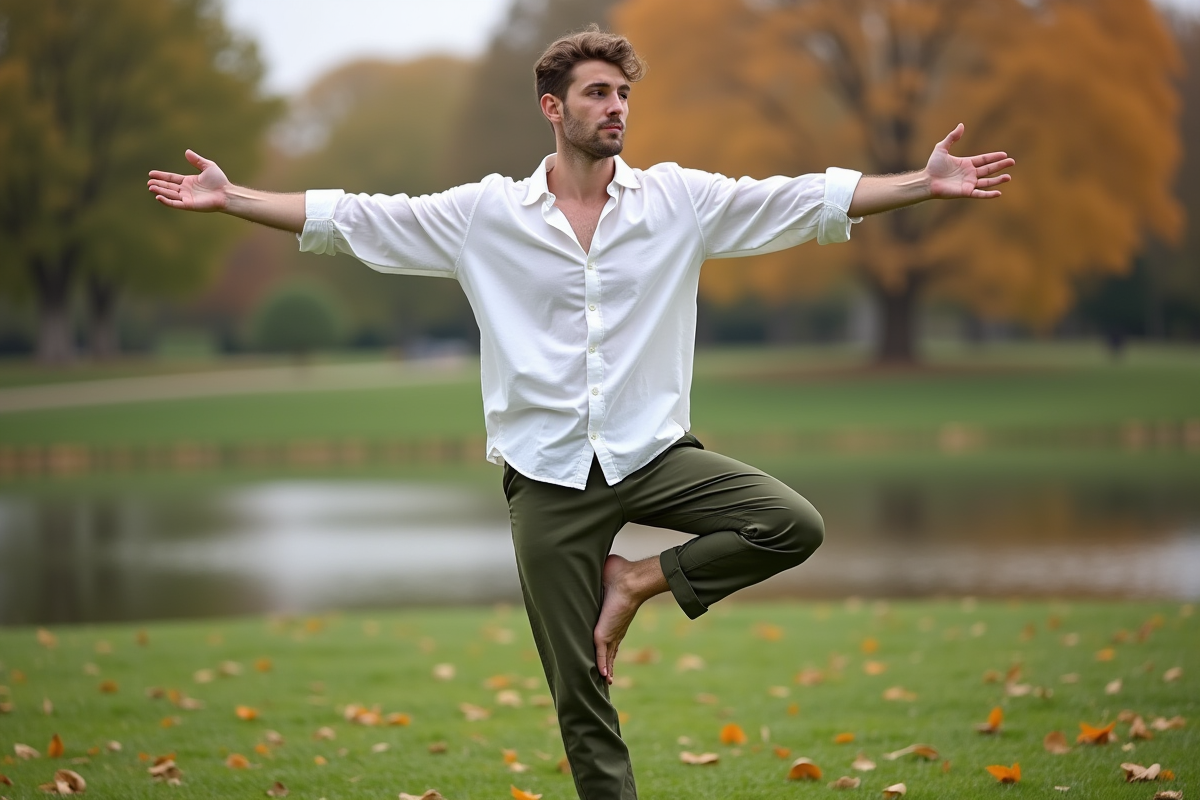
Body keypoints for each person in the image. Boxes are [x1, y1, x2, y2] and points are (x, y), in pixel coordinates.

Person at [148, 26, 1013, 800]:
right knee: (580, 695)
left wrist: (921, 186)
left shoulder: (678, 201)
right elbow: (356, 219)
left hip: (653, 453)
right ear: (552, 107)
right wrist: (235, 199)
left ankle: (634, 582)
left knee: (791, 522)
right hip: (547, 477)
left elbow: (798, 200)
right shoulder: (484, 214)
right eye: (599, 93)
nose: (617, 109)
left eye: (625, 94)